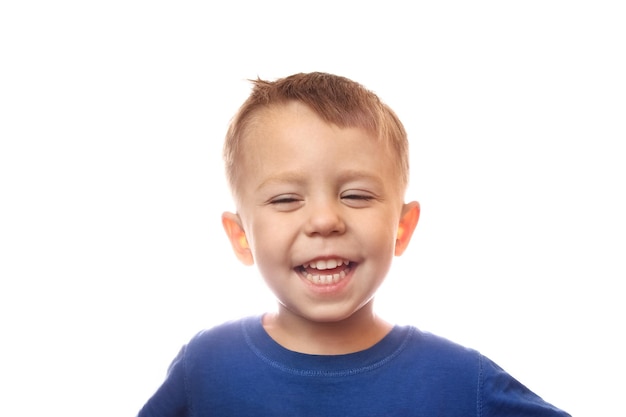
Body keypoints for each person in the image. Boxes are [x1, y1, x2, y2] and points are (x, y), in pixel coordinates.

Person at [137, 72, 570, 416]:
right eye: (287, 199)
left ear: (402, 227)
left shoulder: (458, 380)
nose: (325, 220)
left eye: (357, 195)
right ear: (241, 237)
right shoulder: (208, 366)